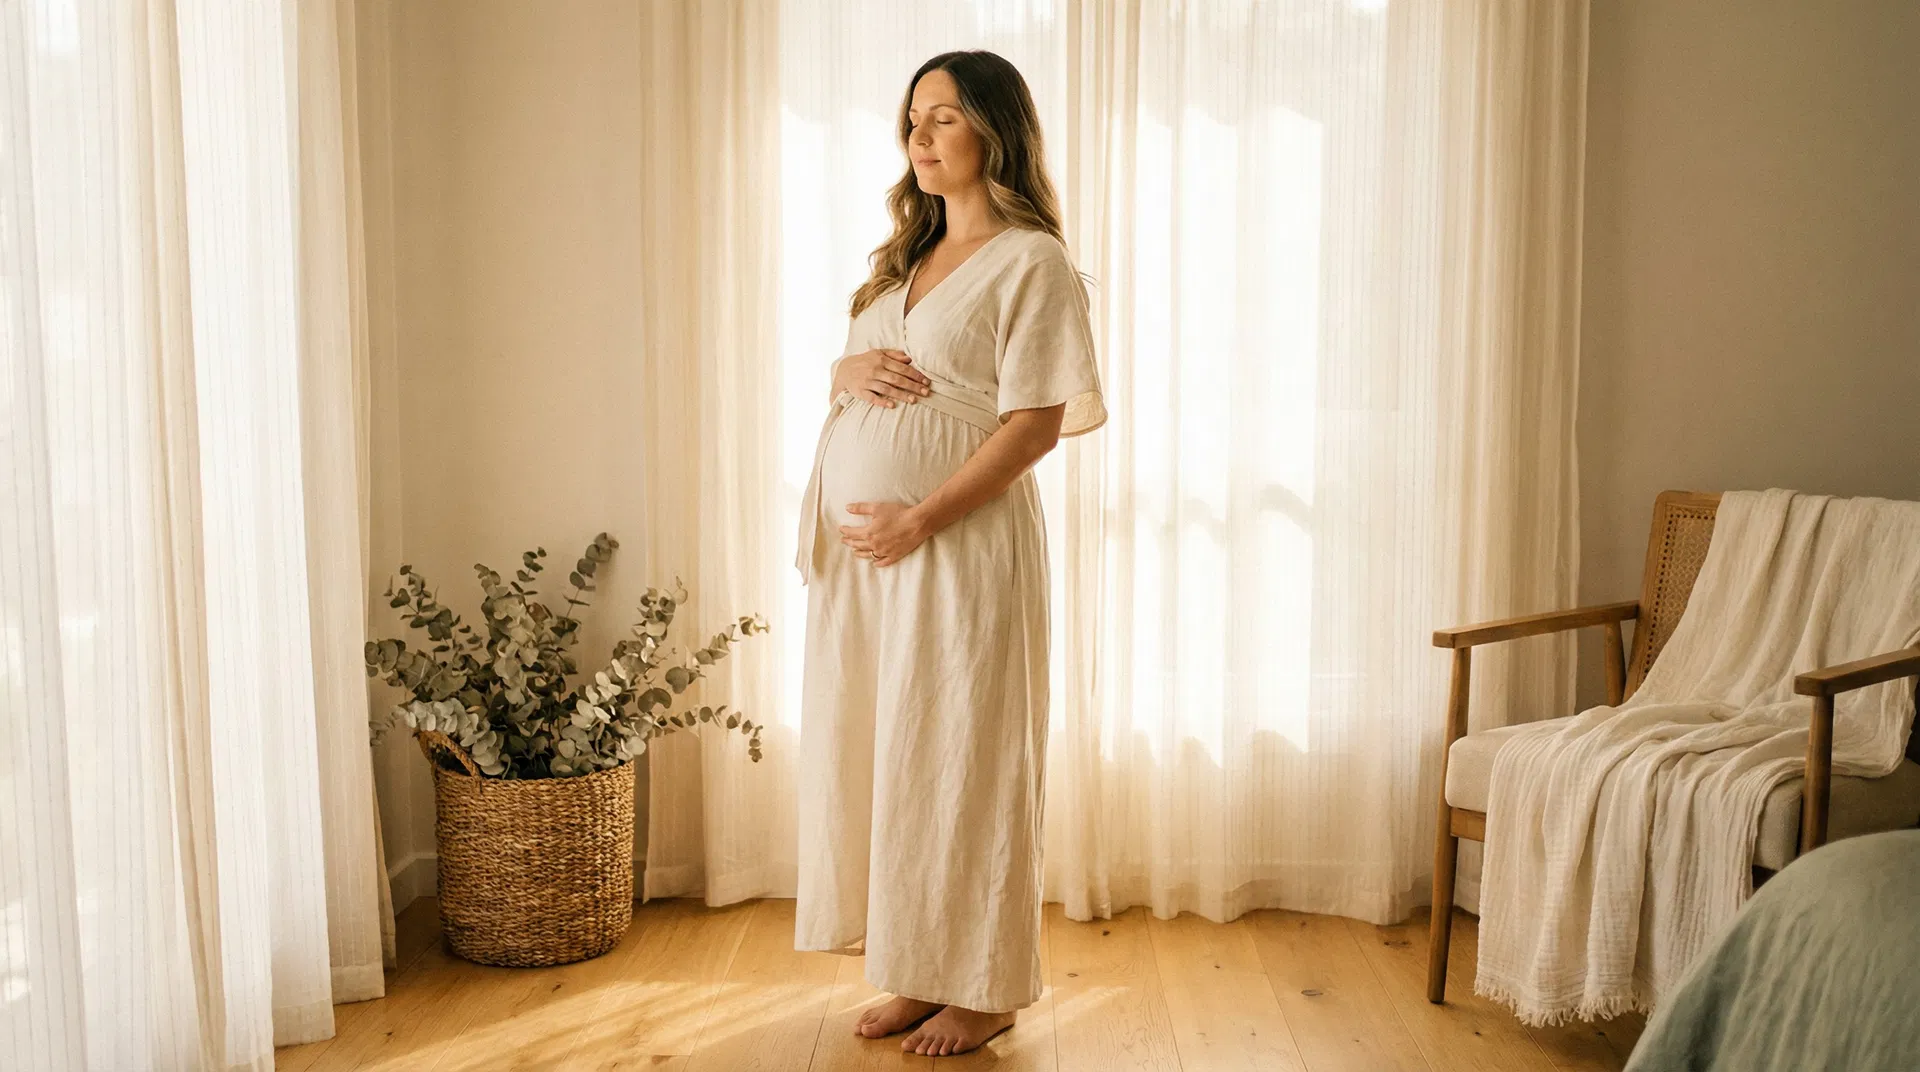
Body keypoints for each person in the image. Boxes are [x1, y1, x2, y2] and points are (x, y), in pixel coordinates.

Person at [792, 49, 1107, 1058]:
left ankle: (987, 987)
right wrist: (842, 365)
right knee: (897, 753)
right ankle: (920, 970)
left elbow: (1033, 425)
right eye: (913, 121)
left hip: (959, 546)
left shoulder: (1031, 262)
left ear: (993, 133)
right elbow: (869, 382)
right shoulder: (901, 263)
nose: (919, 138)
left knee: (968, 756)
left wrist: (921, 516)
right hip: (869, 563)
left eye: (943, 120)